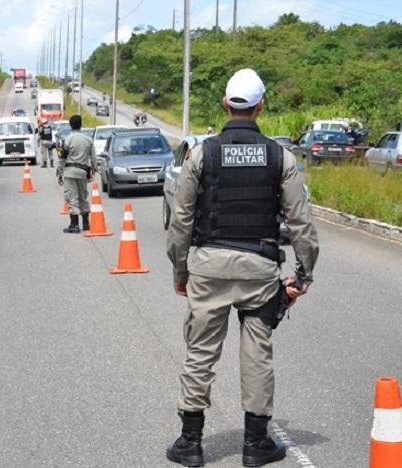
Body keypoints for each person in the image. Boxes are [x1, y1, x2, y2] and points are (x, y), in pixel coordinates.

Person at [166, 69, 320, 468]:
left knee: (200, 352)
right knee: (257, 355)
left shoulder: (202, 154)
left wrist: (180, 272)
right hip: (260, 270)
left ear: (225, 104)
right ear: (260, 106)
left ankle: (190, 443)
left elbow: (181, 218)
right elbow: (301, 222)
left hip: (209, 268)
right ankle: (255, 446)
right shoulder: (279, 156)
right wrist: (303, 275)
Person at [57, 114, 97, 234]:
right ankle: (86, 223)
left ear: (70, 125)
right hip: (83, 172)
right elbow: (93, 158)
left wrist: (59, 173)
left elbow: (62, 158)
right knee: (83, 196)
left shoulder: (67, 140)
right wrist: (94, 170)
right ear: (81, 125)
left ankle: (74, 224)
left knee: (71, 197)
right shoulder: (88, 140)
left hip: (70, 171)